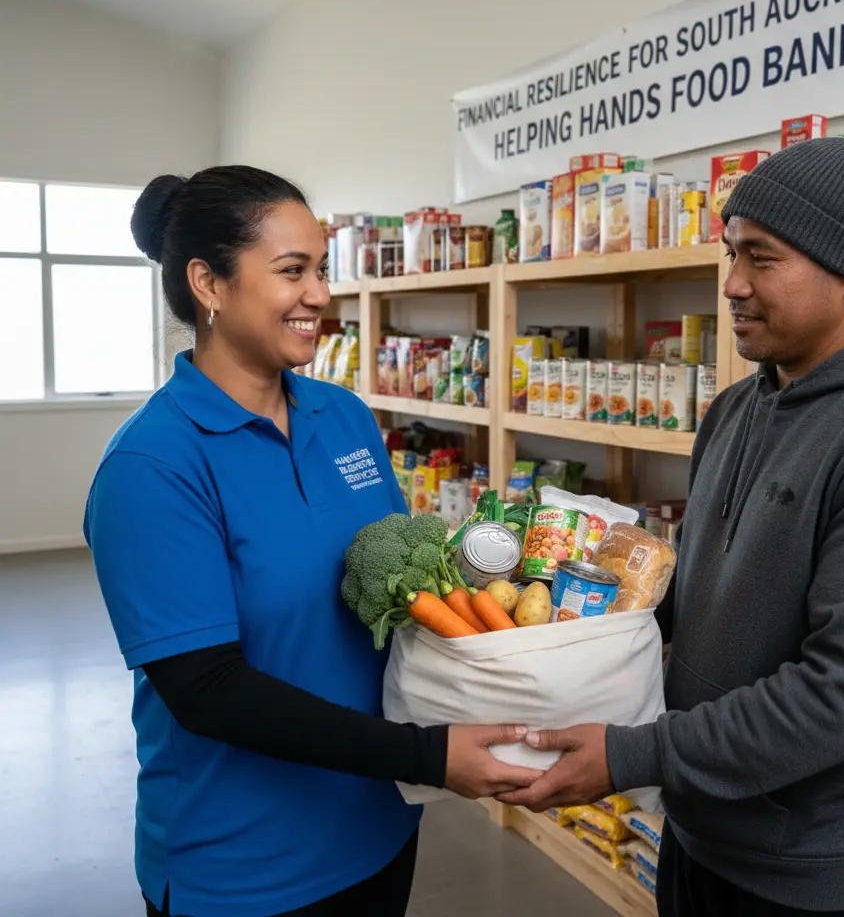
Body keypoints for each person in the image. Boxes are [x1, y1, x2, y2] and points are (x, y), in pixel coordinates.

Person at [499, 138, 844, 916]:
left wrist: (633, 754)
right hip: (700, 834)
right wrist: (551, 621)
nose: (732, 284)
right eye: (731, 253)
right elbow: (693, 593)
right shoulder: (737, 406)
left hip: (820, 878)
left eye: (762, 258)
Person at [85, 166, 539, 917]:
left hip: (378, 825)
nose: (320, 295)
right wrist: (431, 755)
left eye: (322, 270)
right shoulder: (153, 464)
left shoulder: (344, 417)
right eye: (292, 271)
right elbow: (207, 692)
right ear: (210, 284)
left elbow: (404, 581)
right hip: (242, 867)